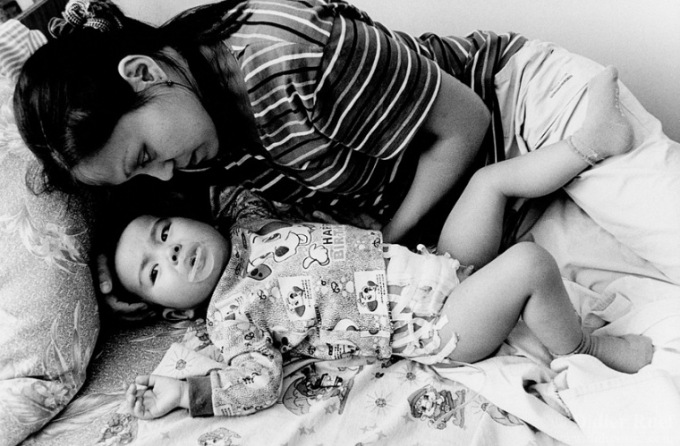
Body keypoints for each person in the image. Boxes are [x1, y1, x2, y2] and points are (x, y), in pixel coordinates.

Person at [13, 0, 680, 298]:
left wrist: (388, 238)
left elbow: (466, 121)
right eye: (141, 177)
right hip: (487, 210)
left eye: (145, 156)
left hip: (519, 109)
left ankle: (592, 146)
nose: (163, 175)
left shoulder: (290, 55)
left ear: (142, 74)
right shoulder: (194, 137)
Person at [117, 68, 652, 419]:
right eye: (154, 271)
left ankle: (592, 142)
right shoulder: (229, 316)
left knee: (486, 184)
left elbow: (208, 175)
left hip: (433, 265)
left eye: (164, 233)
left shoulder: (245, 225)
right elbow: (257, 380)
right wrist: (185, 393)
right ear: (170, 312)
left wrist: (110, 251)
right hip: (435, 326)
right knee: (529, 263)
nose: (172, 253)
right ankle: (585, 349)